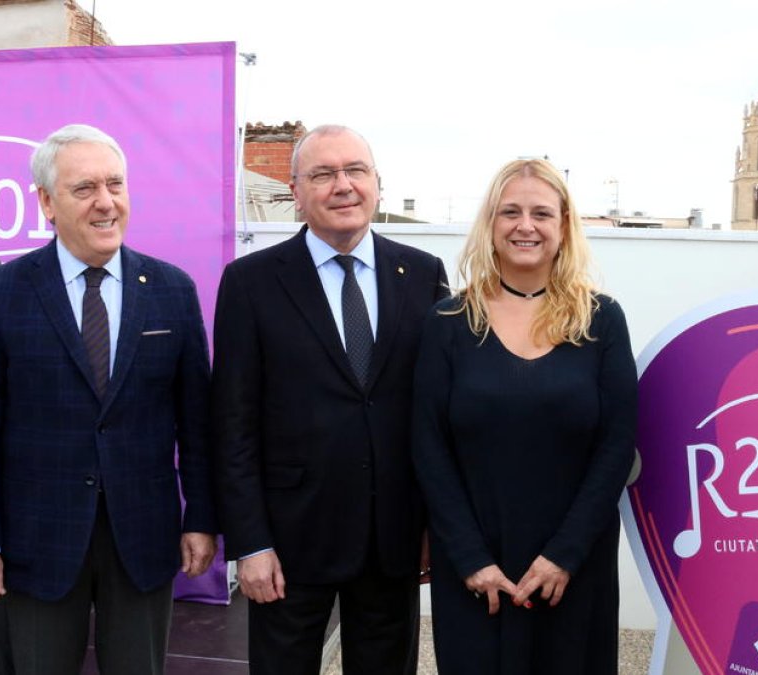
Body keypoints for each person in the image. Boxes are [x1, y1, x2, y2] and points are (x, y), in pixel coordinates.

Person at [0, 123, 216, 675]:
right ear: (46, 201)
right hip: (35, 542)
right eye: (84, 188)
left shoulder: (172, 289)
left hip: (142, 537)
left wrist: (202, 518)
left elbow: (197, 422)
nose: (105, 202)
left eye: (115, 184)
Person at [211, 124, 448, 674]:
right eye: (323, 174)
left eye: (355, 171)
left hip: (394, 542)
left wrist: (435, 525)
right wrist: (249, 543)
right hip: (288, 544)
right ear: (295, 190)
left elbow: (437, 414)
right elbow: (232, 423)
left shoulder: (423, 276)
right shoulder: (250, 283)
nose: (343, 185)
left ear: (377, 185)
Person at [411, 158, 637, 673]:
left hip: (573, 568)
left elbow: (616, 446)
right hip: (475, 569)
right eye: (509, 211)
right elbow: (427, 446)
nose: (525, 225)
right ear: (490, 225)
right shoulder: (448, 322)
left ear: (564, 227)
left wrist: (565, 554)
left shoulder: (601, 319)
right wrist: (469, 559)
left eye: (541, 213)